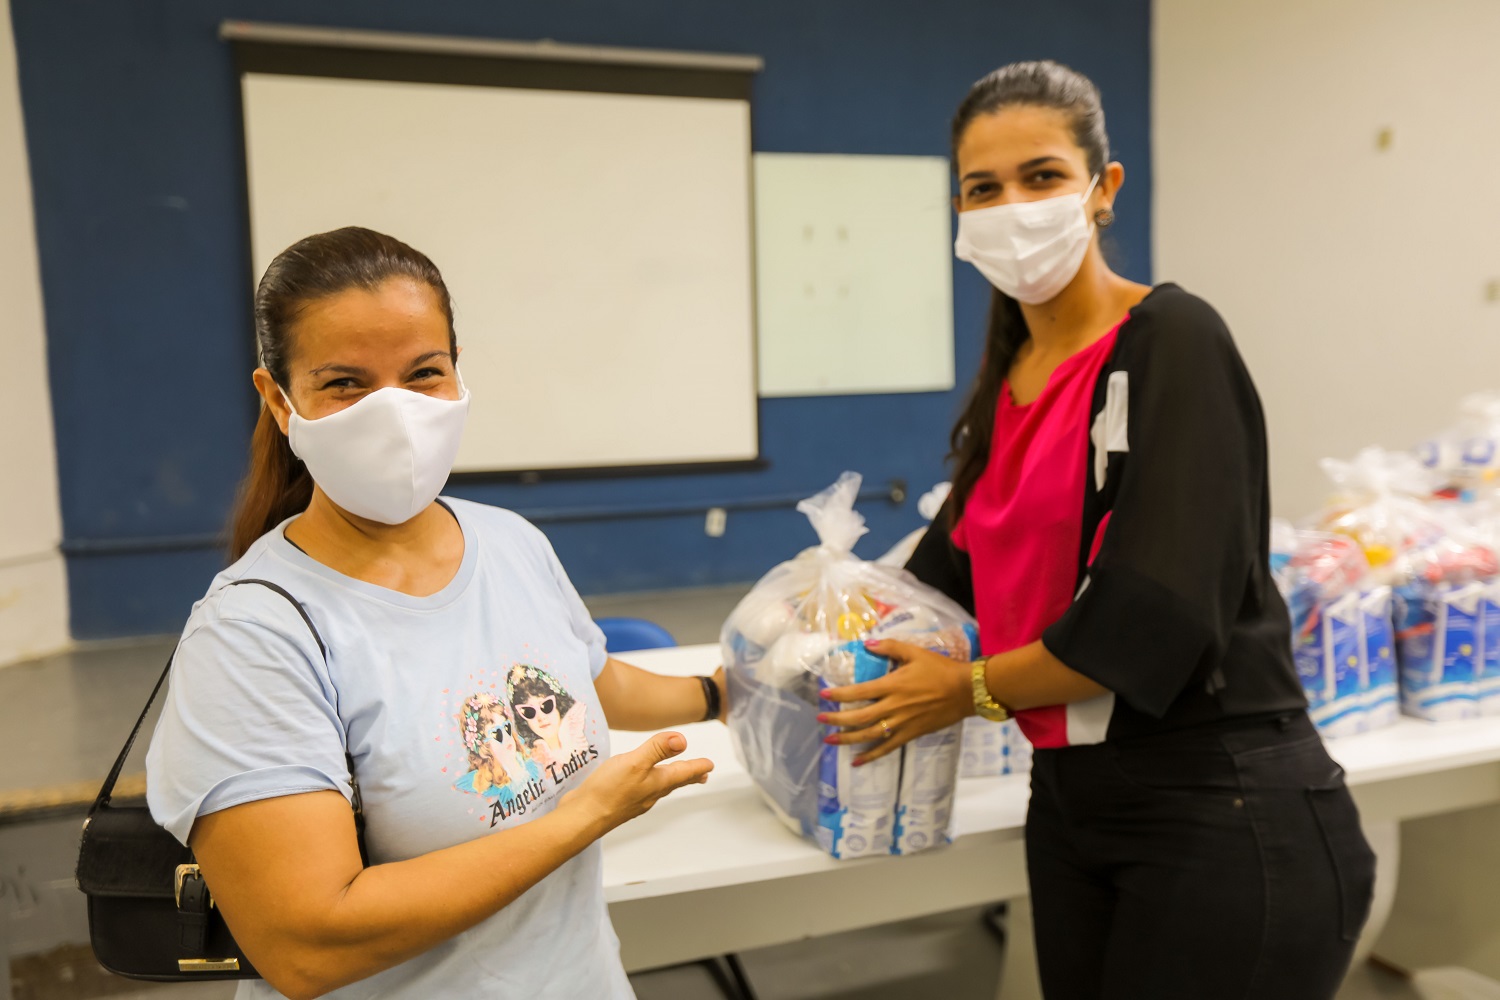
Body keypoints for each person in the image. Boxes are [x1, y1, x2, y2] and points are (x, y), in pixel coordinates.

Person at [818, 61, 1376, 999]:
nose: (1012, 207)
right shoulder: (1016, 375)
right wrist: (782, 646)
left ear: (1102, 189)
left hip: (1221, 804)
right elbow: (936, 583)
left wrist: (971, 688)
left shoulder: (1171, 340)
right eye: (982, 189)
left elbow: (1152, 616)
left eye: (1041, 177)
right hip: (1075, 806)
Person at [145, 227, 727, 1000]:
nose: (394, 412)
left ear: (458, 376)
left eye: (424, 372)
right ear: (279, 400)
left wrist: (723, 691)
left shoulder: (508, 540)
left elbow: (589, 678)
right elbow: (305, 946)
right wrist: (578, 820)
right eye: (346, 383)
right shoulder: (254, 637)